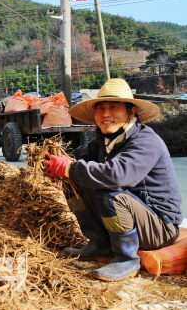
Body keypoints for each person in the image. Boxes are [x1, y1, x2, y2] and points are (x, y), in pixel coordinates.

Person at [44, 78, 183, 281]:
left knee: (107, 191)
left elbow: (116, 175)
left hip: (159, 226)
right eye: (100, 108)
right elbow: (75, 156)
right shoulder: (103, 141)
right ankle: (100, 244)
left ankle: (127, 258)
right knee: (71, 181)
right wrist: (51, 159)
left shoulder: (146, 141)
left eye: (114, 107)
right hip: (130, 216)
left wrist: (68, 167)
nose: (105, 114)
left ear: (131, 111)